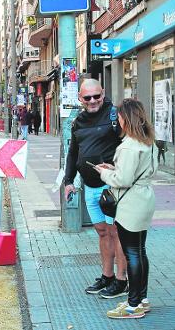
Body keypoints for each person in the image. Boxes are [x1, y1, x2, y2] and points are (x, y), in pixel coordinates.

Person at [93, 99, 158, 319]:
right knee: (140, 251)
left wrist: (105, 173)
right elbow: (139, 171)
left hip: (131, 204)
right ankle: (142, 299)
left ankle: (133, 305)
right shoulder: (147, 142)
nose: (117, 120)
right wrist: (115, 168)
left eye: (119, 116)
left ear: (126, 118)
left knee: (132, 254)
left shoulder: (129, 145)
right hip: (144, 199)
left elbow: (123, 179)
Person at [63, 78, 128, 299]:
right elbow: (73, 152)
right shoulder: (78, 121)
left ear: (103, 93)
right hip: (89, 187)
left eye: (96, 96)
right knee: (102, 232)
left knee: (116, 233)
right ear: (80, 99)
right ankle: (107, 276)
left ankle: (121, 280)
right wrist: (68, 180)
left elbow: (129, 147)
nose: (92, 101)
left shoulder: (115, 116)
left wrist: (116, 167)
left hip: (111, 187)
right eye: (87, 97)